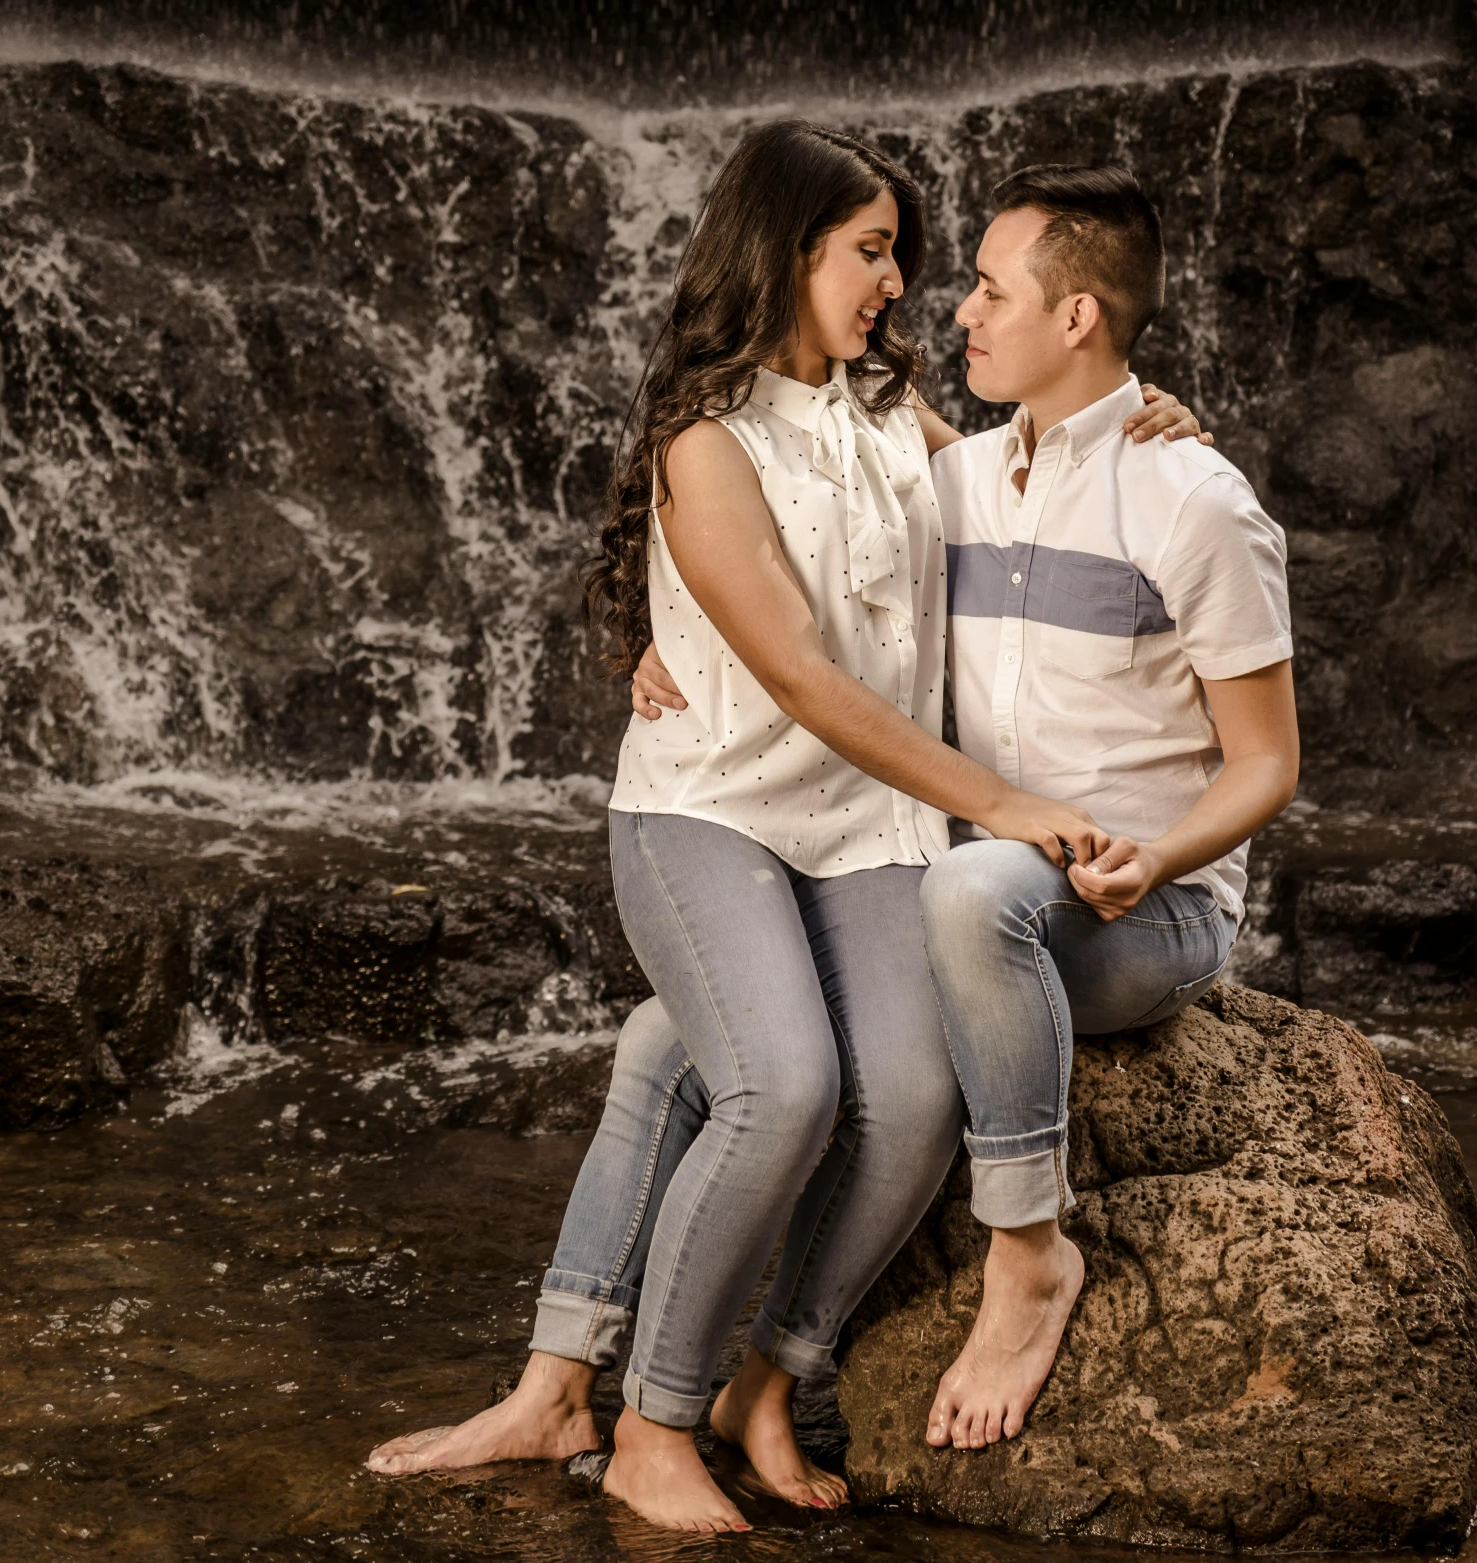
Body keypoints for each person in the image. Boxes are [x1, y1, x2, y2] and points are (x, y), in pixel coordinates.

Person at [364, 123, 1200, 1532]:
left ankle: (749, 1373)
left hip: (864, 827)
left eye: (901, 255)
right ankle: (648, 1423)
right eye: (870, 251)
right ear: (785, 246)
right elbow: (803, 679)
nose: (898, 284)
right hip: (709, 816)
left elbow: (1030, 470)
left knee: (915, 1094)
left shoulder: (892, 413)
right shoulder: (706, 440)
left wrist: (1141, 415)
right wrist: (1001, 802)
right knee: (783, 1087)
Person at [630, 165, 1298, 1456]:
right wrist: (645, 642)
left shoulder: (1198, 502)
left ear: (1079, 318)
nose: (956, 314)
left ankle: (1030, 1255)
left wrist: (1154, 857)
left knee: (969, 890)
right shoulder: (959, 481)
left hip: (1134, 904)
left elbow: (1268, 768)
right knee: (683, 1035)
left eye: (990, 291)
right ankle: (611, 1366)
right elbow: (760, 553)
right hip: (975, 874)